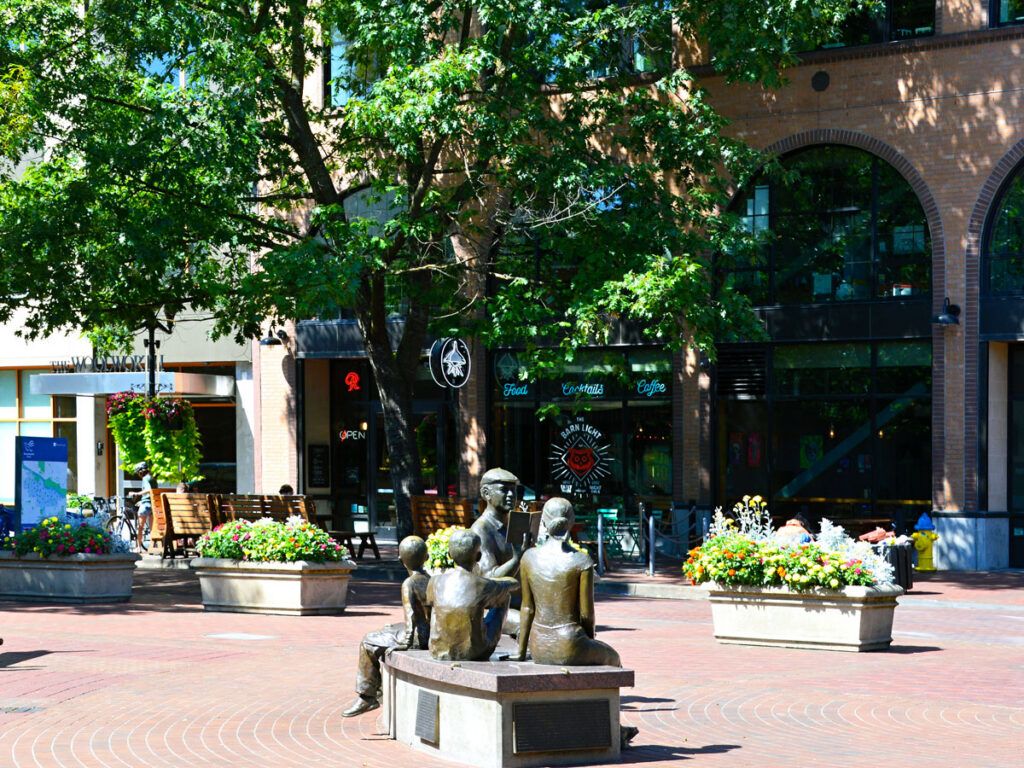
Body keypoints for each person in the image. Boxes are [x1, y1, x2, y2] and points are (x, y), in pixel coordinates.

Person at [516, 497, 620, 667]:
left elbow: (527, 608)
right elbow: (587, 614)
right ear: (572, 522)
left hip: (538, 645)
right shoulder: (581, 560)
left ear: (543, 523)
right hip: (569, 644)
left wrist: (521, 652)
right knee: (614, 658)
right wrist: (588, 640)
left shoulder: (528, 557)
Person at [342, 536, 431, 717]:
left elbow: (411, 616)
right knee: (387, 630)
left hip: (418, 637)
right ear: (426, 557)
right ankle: (378, 687)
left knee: (368, 641)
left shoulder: (409, 583)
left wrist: (406, 642)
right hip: (431, 633)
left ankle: (368, 697)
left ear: (400, 560)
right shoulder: (431, 579)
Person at [426, 529, 519, 661]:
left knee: (436, 608)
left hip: (437, 649)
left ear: (449, 555)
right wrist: (495, 582)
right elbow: (514, 583)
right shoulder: (484, 585)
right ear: (479, 556)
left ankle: (442, 641)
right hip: (476, 652)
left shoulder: (434, 581)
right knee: (505, 596)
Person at [127, 461, 155, 553]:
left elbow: (148, 490)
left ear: (140, 471)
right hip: (153, 504)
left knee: (140, 527)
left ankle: (138, 547)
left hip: (146, 505)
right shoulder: (152, 478)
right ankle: (152, 547)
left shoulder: (145, 479)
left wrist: (136, 493)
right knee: (152, 528)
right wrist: (141, 501)